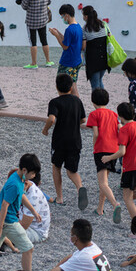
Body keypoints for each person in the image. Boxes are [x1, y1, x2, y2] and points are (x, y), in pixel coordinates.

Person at [101, 102, 136, 217]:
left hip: (131, 166)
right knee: (132, 193)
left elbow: (122, 151)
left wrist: (108, 157)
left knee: (127, 198)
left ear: (120, 116)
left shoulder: (124, 130)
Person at [43, 73, 87, 208]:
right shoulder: (77, 101)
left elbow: (51, 118)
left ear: (57, 86)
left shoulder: (55, 102)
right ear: (71, 87)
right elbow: (83, 120)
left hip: (59, 141)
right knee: (71, 171)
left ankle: (60, 197)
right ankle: (80, 188)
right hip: (75, 140)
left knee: (56, 166)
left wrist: (45, 129)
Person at [86, 89, 122, 223]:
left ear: (93, 101)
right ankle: (100, 208)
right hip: (114, 149)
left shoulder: (94, 114)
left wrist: (94, 146)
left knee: (102, 182)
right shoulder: (113, 114)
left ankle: (115, 204)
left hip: (101, 149)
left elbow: (95, 133)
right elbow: (120, 129)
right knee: (105, 181)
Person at [19, 0, 53, 69]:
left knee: (33, 42)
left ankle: (34, 63)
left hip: (31, 22)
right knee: (44, 40)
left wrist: (21, 1)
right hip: (43, 20)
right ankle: (48, 61)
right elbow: (49, 2)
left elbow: (24, 6)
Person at [49, 5, 84, 97]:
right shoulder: (78, 27)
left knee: (63, 86)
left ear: (67, 15)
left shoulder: (69, 29)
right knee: (73, 84)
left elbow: (65, 46)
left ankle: (66, 104)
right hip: (76, 60)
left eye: (62, 16)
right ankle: (77, 104)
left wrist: (56, 35)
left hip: (68, 62)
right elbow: (68, 41)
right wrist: (59, 33)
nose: (63, 18)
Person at [81, 6, 109, 91]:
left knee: (95, 85)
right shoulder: (103, 24)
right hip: (104, 59)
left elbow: (83, 47)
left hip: (93, 61)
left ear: (86, 16)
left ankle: (98, 102)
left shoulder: (85, 28)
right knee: (99, 81)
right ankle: (104, 101)